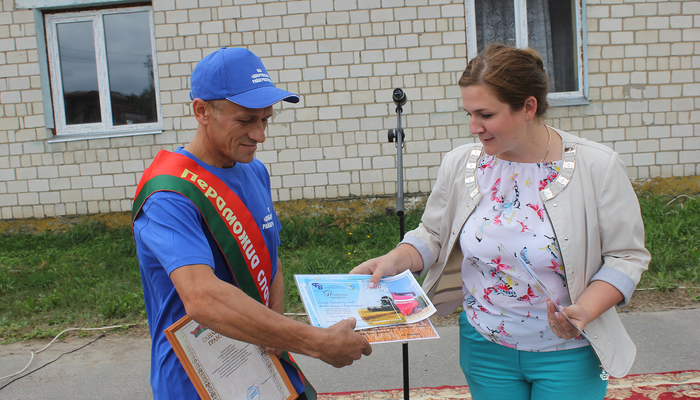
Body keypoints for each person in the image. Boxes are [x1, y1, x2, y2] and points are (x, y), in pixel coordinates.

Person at [351, 44, 649, 400]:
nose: (474, 127)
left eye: (486, 115)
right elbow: (433, 234)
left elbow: (626, 257)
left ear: (528, 107)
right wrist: (396, 259)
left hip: (569, 353)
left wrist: (584, 311)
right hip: (484, 347)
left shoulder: (597, 166)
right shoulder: (462, 164)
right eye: (469, 114)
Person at [132, 47, 372, 400]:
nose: (259, 135)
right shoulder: (168, 193)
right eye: (245, 120)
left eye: (266, 119)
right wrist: (314, 342)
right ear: (201, 111)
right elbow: (202, 297)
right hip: (197, 380)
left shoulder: (254, 171)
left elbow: (268, 257)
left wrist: (274, 336)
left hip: (262, 367)